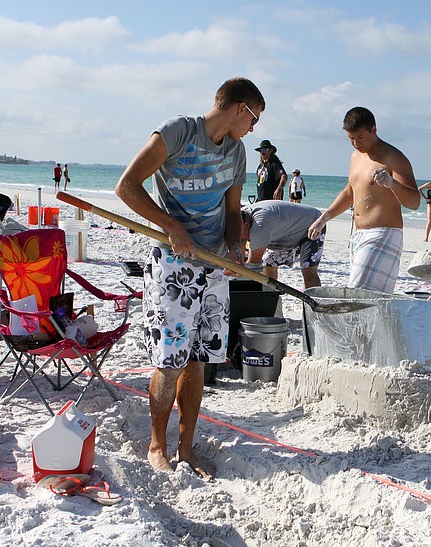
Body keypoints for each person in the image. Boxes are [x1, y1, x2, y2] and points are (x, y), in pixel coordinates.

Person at [114, 77, 264, 477]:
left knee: (198, 362)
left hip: (213, 265)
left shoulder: (237, 151)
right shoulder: (178, 132)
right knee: (170, 362)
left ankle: (186, 449)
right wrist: (170, 226)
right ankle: (156, 446)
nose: (254, 128)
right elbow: (126, 186)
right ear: (239, 108)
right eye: (255, 118)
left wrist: (235, 249)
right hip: (174, 264)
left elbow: (233, 213)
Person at [308, 106, 419, 293]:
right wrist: (323, 218)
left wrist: (391, 183)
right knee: (371, 301)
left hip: (383, 234)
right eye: (351, 138)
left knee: (357, 295)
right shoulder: (355, 156)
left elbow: (414, 202)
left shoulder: (393, 158)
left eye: (360, 137)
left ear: (374, 130)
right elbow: (350, 192)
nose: (355, 143)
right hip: (358, 236)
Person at [241, 200, 324, 288]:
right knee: (268, 263)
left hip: (312, 225)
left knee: (308, 269)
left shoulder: (260, 226)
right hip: (283, 232)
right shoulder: (238, 217)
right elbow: (239, 252)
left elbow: (254, 263)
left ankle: (313, 299)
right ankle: (270, 296)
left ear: (246, 225)